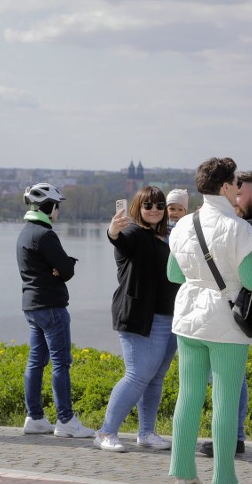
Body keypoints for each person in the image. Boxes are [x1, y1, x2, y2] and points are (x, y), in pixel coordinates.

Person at [167, 157, 252, 484]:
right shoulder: (239, 229)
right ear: (226, 186)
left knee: (188, 395)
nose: (238, 189)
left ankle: (183, 473)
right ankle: (224, 477)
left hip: (188, 317)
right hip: (225, 323)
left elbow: (173, 273)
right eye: (235, 184)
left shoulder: (184, 224)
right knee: (225, 402)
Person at [94, 186, 179, 453]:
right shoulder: (133, 233)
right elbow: (119, 240)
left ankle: (147, 433)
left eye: (159, 205)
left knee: (156, 377)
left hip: (170, 316)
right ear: (137, 209)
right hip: (140, 317)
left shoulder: (169, 236)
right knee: (137, 375)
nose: (154, 210)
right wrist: (113, 230)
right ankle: (106, 432)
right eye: (147, 205)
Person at [198, 170, 252, 458]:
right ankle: (233, 435)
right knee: (232, 377)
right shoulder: (248, 223)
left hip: (237, 308)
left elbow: (251, 273)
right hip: (236, 307)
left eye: (239, 194)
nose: (234, 199)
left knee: (228, 379)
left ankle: (232, 437)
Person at [17, 183, 93, 439]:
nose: (58, 211)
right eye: (57, 206)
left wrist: (61, 266)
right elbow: (67, 271)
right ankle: (66, 420)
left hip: (32, 306)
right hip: (51, 307)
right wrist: (66, 264)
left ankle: (35, 417)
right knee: (61, 362)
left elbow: (56, 268)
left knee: (35, 362)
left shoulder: (25, 233)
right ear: (51, 208)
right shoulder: (45, 235)